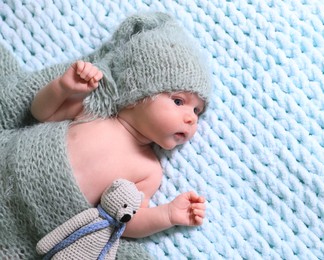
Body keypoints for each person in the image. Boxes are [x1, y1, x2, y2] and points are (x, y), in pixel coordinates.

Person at [30, 12, 211, 239]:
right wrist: (62, 88)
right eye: (178, 101)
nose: (192, 118)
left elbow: (124, 221)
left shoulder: (149, 170)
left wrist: (167, 215)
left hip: (42, 223)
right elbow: (41, 113)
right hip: (22, 163)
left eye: (197, 111)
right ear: (139, 93)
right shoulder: (94, 111)